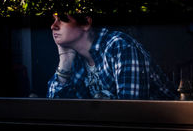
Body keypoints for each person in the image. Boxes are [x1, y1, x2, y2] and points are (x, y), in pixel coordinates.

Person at [47, 13, 177, 100]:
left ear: (86, 23)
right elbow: (57, 110)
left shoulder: (119, 46)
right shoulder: (76, 59)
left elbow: (131, 113)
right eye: (53, 20)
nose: (53, 26)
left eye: (63, 19)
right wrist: (65, 60)